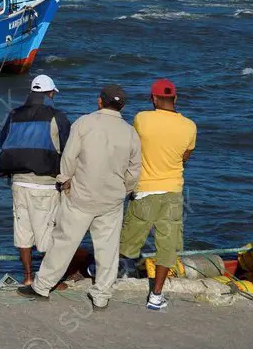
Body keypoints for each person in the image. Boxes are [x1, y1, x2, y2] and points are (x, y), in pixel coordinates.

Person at [18, 84, 141, 310]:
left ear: (99, 101)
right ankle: (102, 295)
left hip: (80, 195)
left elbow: (69, 157)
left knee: (64, 242)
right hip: (111, 200)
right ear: (122, 106)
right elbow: (134, 171)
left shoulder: (84, 123)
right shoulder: (130, 132)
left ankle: (42, 286)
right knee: (107, 249)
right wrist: (123, 191)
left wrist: (64, 181)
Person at [0, 75, 90, 288]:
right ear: (50, 94)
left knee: (23, 232)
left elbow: (3, 142)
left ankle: (28, 276)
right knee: (50, 233)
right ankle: (51, 280)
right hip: (46, 184)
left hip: (18, 182)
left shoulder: (13, 115)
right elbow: (69, 152)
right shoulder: (57, 116)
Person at [117, 78, 196, 311]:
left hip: (144, 190)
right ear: (176, 98)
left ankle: (116, 278)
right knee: (167, 246)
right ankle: (156, 296)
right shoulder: (190, 126)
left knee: (128, 241)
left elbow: (133, 145)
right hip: (173, 191)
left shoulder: (142, 119)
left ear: (153, 98)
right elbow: (185, 157)